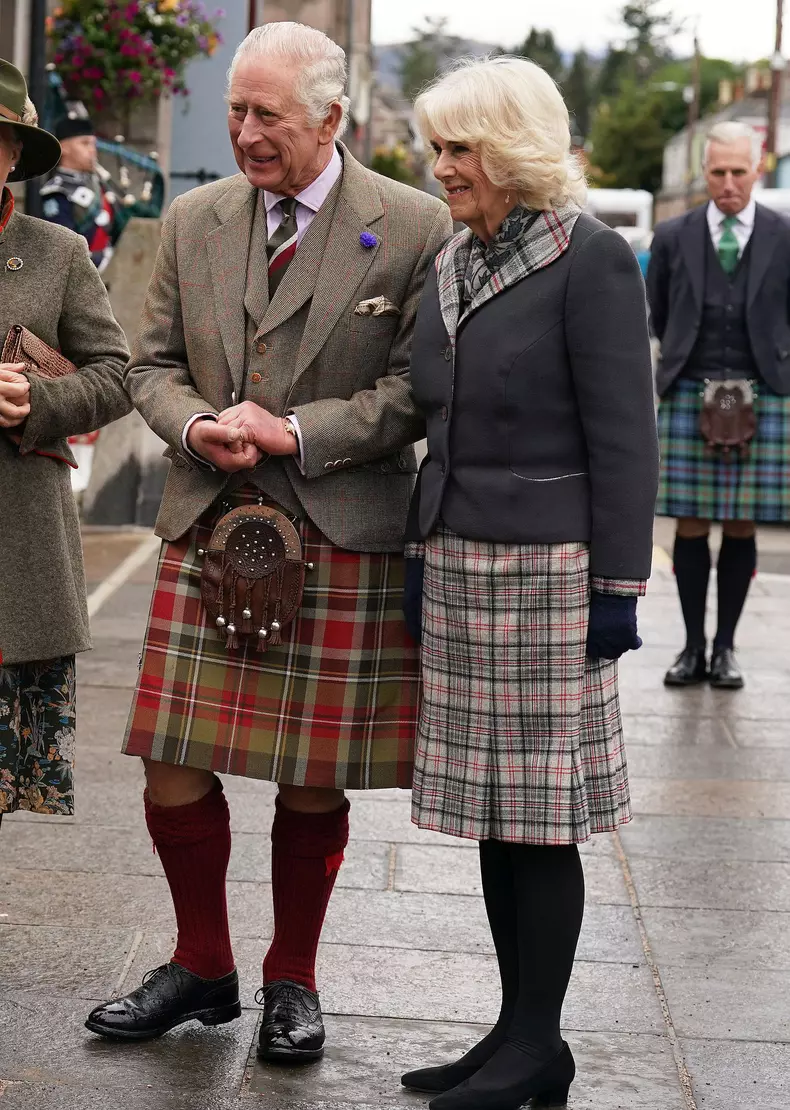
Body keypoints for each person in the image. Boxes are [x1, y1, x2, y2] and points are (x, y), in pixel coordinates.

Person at [84, 22, 452, 1059]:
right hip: (209, 518)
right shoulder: (194, 218)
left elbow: (412, 393)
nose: (243, 132)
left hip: (338, 524)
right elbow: (147, 365)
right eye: (236, 111)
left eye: (266, 117)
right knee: (169, 758)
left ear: (331, 118)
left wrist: (294, 431)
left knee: (310, 771)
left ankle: (294, 976)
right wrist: (192, 424)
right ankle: (202, 963)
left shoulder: (413, 225)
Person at [399, 56, 659, 1110]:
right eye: (439, 146)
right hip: (459, 560)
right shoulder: (454, 255)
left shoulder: (590, 258)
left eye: (460, 147)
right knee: (494, 815)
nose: (442, 165)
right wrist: (423, 551)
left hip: (551, 576)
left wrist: (621, 587)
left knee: (541, 818)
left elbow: (625, 436)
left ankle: (538, 1042)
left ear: (511, 149)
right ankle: (515, 1034)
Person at [0, 60, 131, 822]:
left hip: (16, 549)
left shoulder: (57, 251)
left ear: (14, 154)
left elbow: (117, 375)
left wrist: (36, 400)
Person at [648, 121, 790, 690]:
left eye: (739, 171)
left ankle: (726, 649)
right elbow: (657, 308)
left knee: (739, 521)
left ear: (758, 169)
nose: (728, 183)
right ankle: (690, 648)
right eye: (717, 172)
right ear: (703, 173)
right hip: (689, 387)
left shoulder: (784, 234)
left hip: (763, 393)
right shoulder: (673, 234)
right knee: (689, 522)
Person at [40, 114, 123, 271]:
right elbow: (63, 249)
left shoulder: (99, 185)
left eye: (93, 145)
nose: (92, 151)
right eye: (85, 144)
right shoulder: (57, 192)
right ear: (63, 147)